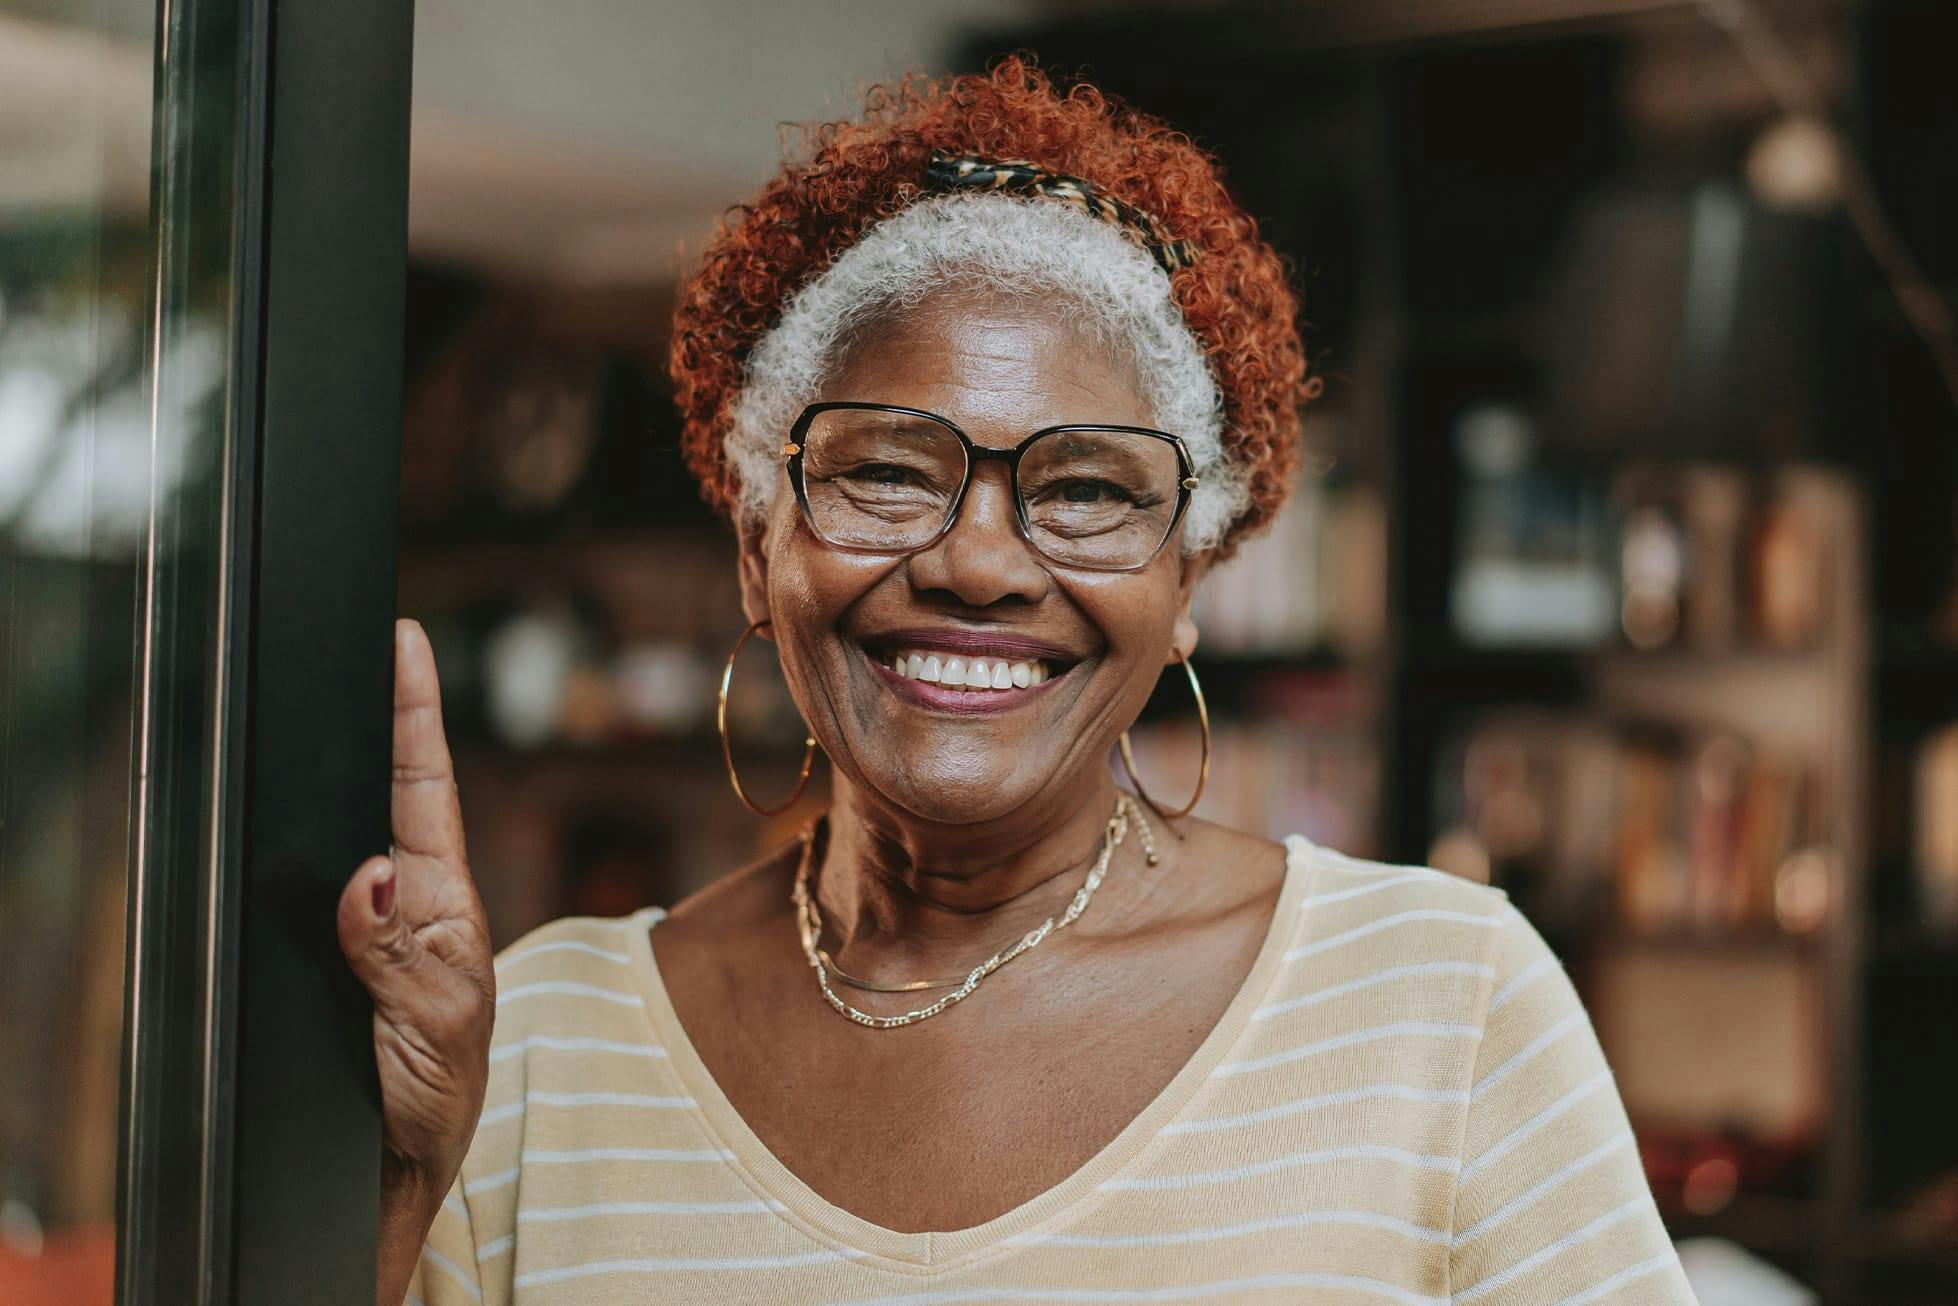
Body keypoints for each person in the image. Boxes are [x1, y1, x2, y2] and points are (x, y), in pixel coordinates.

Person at [339, 58, 1696, 1306]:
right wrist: (388, 1187)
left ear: (1188, 590)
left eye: (1089, 488)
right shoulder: (536, 1048)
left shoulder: (1439, 1008)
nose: (978, 559)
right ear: (758, 548)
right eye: (883, 470)